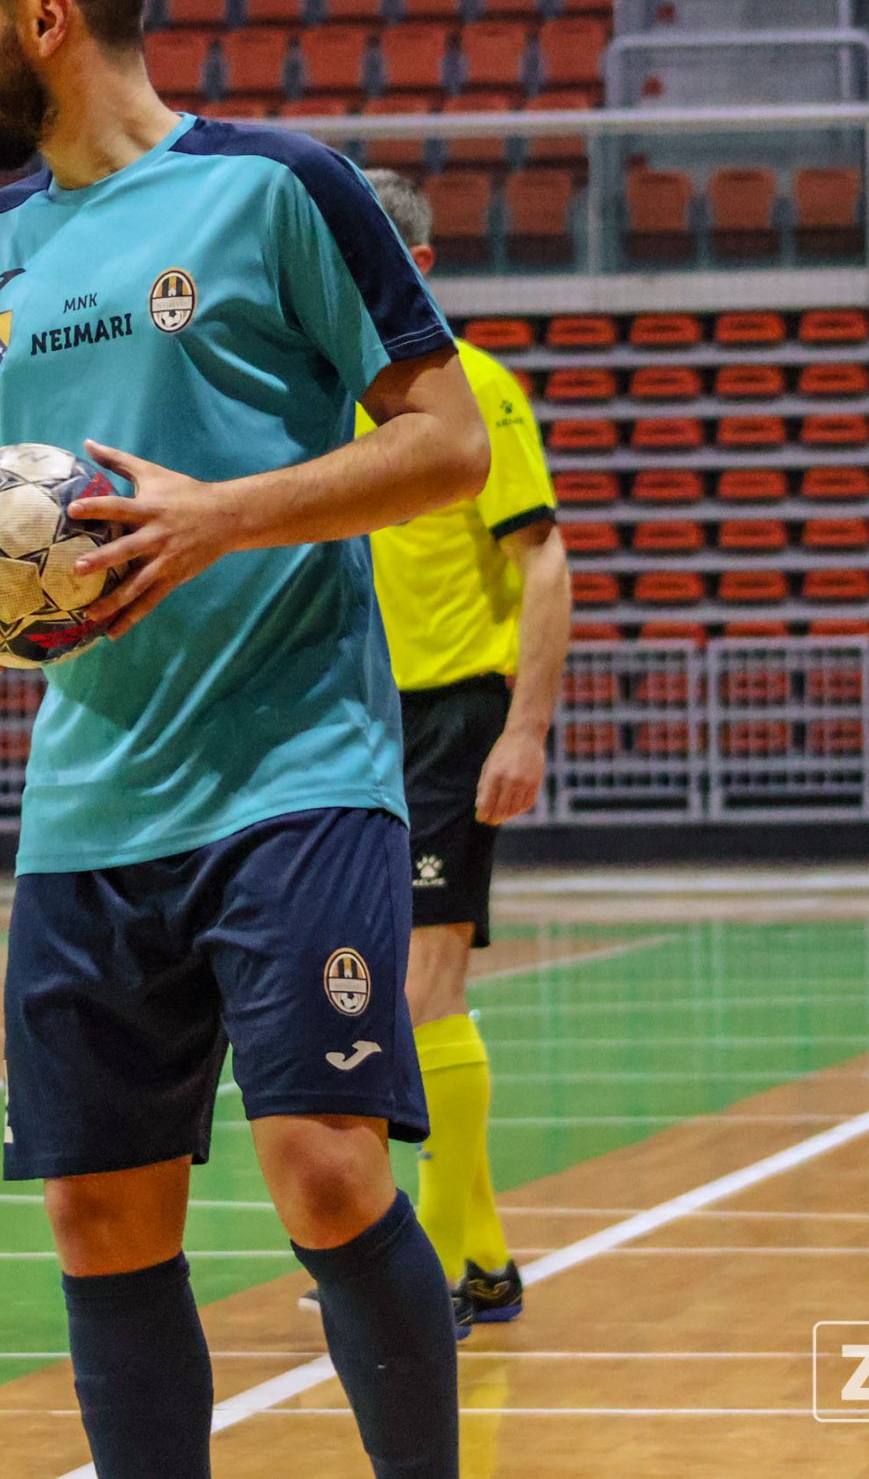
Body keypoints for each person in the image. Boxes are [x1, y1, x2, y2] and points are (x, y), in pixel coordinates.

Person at [0, 0, 493, 1479]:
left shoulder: (279, 190)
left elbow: (452, 442)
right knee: (99, 1214)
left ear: (45, 17)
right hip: (90, 803)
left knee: (327, 1171)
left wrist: (222, 516)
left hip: (298, 768)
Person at [300, 169, 573, 1334]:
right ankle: (484, 1263)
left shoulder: (477, 391)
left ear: (410, 266)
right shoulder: (321, 402)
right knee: (368, 998)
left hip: (450, 715)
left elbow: (543, 560)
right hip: (351, 725)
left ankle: (445, 1273)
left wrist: (523, 727)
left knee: (422, 991)